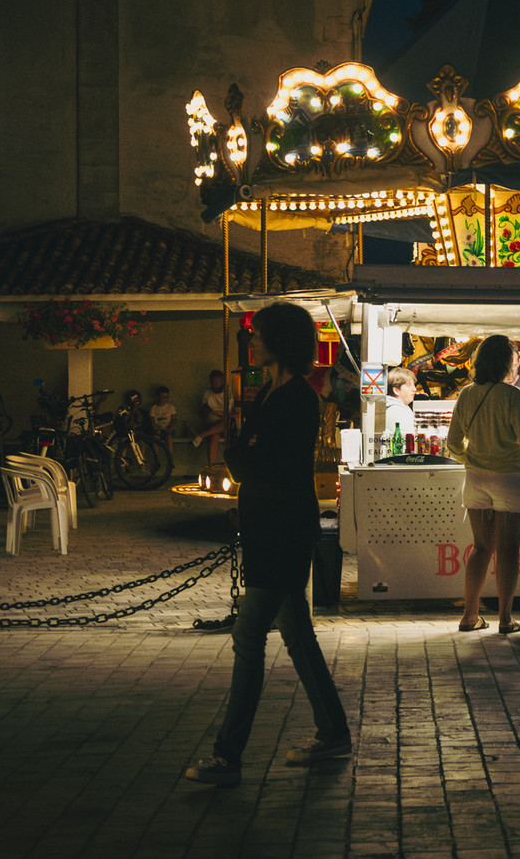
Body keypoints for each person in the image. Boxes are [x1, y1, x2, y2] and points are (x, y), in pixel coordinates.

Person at [185, 301, 351, 785]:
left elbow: (259, 462)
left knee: (248, 635)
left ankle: (229, 754)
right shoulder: (269, 394)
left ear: (279, 341)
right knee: (296, 634)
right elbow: (244, 459)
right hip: (266, 524)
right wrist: (245, 452)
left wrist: (245, 452)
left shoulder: (295, 398)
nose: (252, 342)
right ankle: (333, 732)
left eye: (258, 335)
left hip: (282, 528)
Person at [446, 335, 520, 635]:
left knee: (480, 547)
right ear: (506, 363)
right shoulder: (514, 396)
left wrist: (471, 459)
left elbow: (453, 443)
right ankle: (505, 619)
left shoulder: (466, 394)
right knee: (507, 549)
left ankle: (469, 615)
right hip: (510, 479)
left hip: (476, 479)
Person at [191, 370, 231, 455]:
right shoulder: (207, 393)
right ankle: (212, 463)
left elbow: (231, 414)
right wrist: (204, 411)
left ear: (222, 381)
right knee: (214, 437)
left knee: (227, 422)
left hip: (225, 425)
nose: (214, 385)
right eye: (213, 383)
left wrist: (213, 412)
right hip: (211, 424)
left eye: (217, 382)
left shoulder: (229, 393)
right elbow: (202, 413)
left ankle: (201, 435)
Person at [384, 366, 417, 440]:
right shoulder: (396, 411)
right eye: (409, 385)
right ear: (396, 390)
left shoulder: (402, 407)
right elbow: (410, 439)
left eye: (414, 385)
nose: (414, 389)